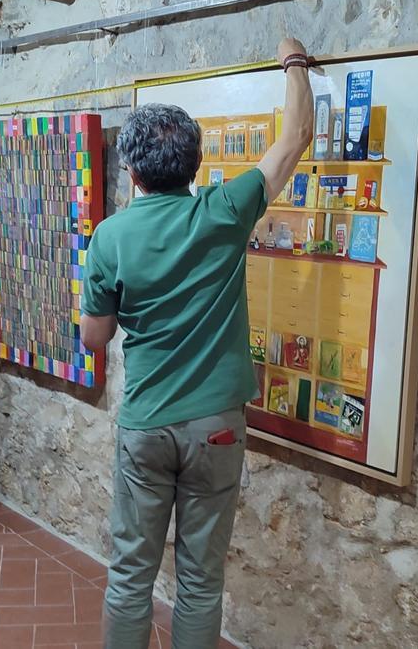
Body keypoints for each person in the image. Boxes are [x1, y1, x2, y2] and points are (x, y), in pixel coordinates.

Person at [80, 38, 315, 648]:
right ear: (195, 165)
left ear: (132, 172)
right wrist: (294, 66)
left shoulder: (108, 238)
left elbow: (94, 337)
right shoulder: (224, 210)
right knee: (201, 581)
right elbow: (293, 141)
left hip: (147, 423)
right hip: (217, 424)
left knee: (131, 575)